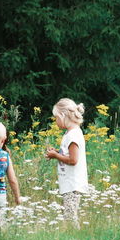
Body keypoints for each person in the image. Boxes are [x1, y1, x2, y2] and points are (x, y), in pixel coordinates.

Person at [45, 98, 89, 228]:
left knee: (70, 216)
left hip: (73, 183)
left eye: (56, 118)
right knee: (69, 214)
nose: (56, 121)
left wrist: (56, 155)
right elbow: (67, 154)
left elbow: (73, 160)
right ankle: (73, 237)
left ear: (63, 115)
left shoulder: (73, 135)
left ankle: (76, 238)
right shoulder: (69, 134)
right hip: (69, 182)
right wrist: (56, 153)